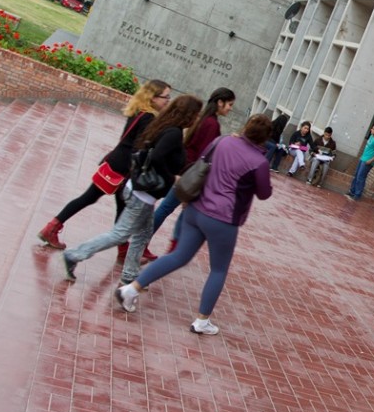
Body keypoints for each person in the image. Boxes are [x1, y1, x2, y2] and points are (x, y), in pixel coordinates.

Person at [115, 114, 274, 335]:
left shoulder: (223, 141)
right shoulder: (259, 162)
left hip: (196, 208)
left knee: (179, 256)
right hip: (224, 219)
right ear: (266, 138)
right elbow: (264, 193)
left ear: (246, 128)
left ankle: (131, 289)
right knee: (218, 269)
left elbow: (202, 160)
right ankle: (202, 321)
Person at [61, 95, 202, 284]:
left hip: (140, 191)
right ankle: (75, 254)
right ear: (188, 114)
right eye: (196, 114)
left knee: (142, 235)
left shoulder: (164, 125)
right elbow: (158, 157)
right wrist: (172, 178)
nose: (197, 118)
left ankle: (129, 278)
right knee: (120, 234)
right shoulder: (173, 133)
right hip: (142, 195)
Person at [37, 79, 171, 251]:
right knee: (104, 202)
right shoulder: (149, 117)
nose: (168, 100)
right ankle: (121, 249)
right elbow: (139, 146)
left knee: (105, 202)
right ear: (153, 98)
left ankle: (53, 227)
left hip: (116, 162)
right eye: (165, 97)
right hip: (124, 168)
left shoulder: (138, 110)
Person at [151, 88, 235, 253]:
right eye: (229, 104)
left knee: (178, 210)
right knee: (170, 208)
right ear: (220, 102)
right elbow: (205, 154)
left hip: (187, 170)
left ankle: (173, 247)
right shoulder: (212, 124)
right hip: (191, 174)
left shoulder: (204, 118)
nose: (230, 108)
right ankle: (150, 242)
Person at [345, 123, 374, 200]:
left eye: (373, 129)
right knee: (356, 175)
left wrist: (370, 160)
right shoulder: (372, 136)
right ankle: (352, 191)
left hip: (367, 162)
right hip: (363, 159)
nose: (371, 129)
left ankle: (357, 195)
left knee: (360, 177)